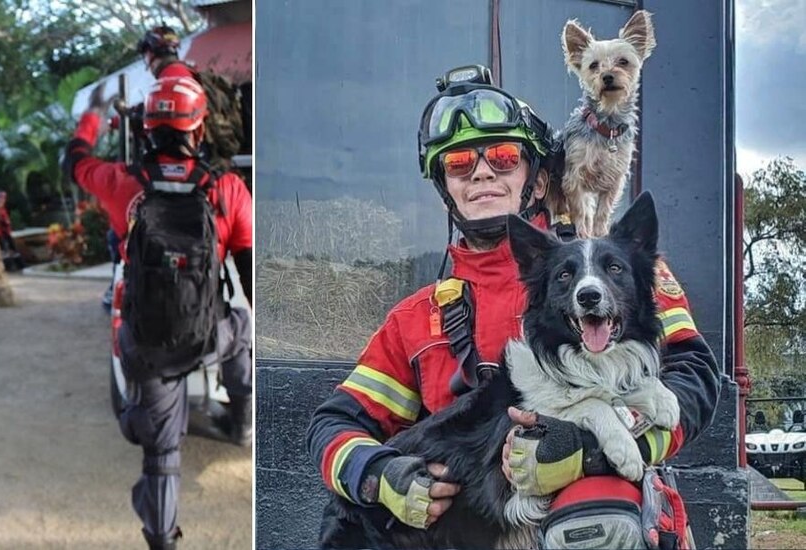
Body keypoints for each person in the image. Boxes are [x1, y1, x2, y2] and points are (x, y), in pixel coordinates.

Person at [305, 67, 720, 546]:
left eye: (502, 157)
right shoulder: (417, 318)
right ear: (447, 192)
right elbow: (334, 424)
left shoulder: (616, 273)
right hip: (470, 526)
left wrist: (600, 451)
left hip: (595, 523)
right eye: (460, 164)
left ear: (539, 181)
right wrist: (380, 476)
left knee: (600, 512)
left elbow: (695, 375)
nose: (482, 171)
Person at [63, 77, 253, 550]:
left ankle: (162, 536)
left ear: (147, 127)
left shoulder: (123, 183)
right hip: (205, 335)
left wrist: (91, 115)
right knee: (244, 325)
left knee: (162, 455)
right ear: (199, 127)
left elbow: (75, 162)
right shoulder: (226, 189)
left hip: (147, 346)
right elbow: (251, 278)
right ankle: (243, 415)